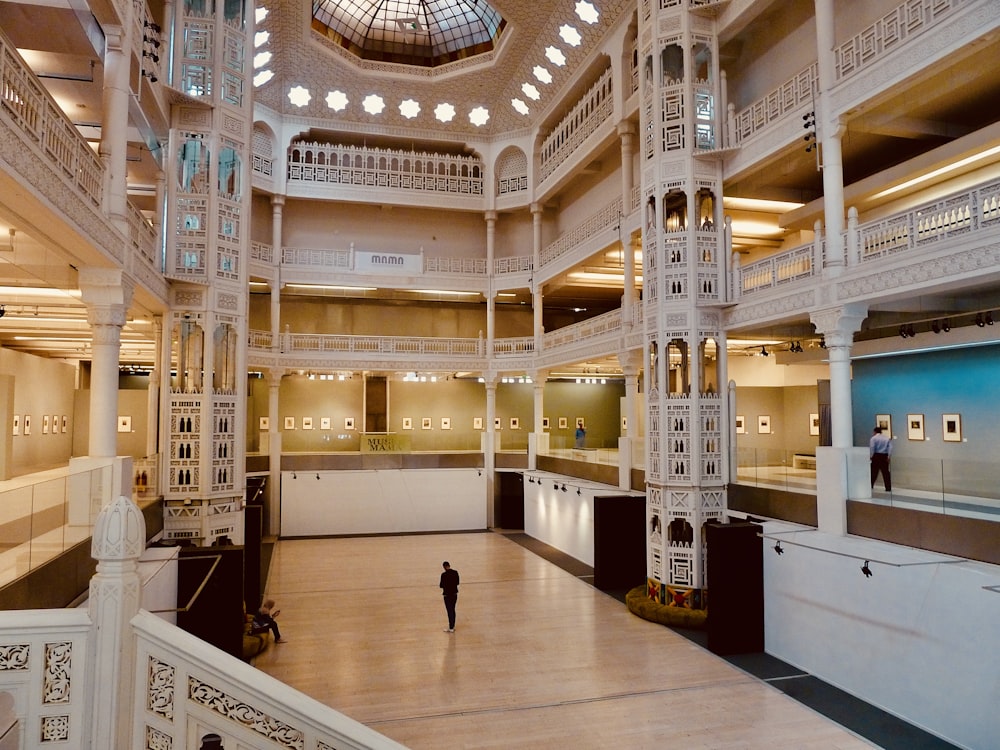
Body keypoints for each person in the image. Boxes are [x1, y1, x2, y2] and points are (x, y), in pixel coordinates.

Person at [869, 426, 892, 491]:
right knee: (886, 473)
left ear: (875, 431)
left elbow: (872, 448)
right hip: (884, 456)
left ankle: (871, 485)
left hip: (876, 456)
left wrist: (871, 456)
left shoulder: (873, 438)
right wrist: (888, 456)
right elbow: (890, 448)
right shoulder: (887, 438)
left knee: (874, 472)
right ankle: (888, 487)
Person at [439, 561, 459, 633]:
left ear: (444, 567)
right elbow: (457, 582)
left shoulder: (443, 575)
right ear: (449, 565)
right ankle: (452, 625)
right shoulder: (455, 572)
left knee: (449, 610)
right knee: (453, 610)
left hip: (447, 595)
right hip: (454, 594)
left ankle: (451, 627)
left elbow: (441, 585)